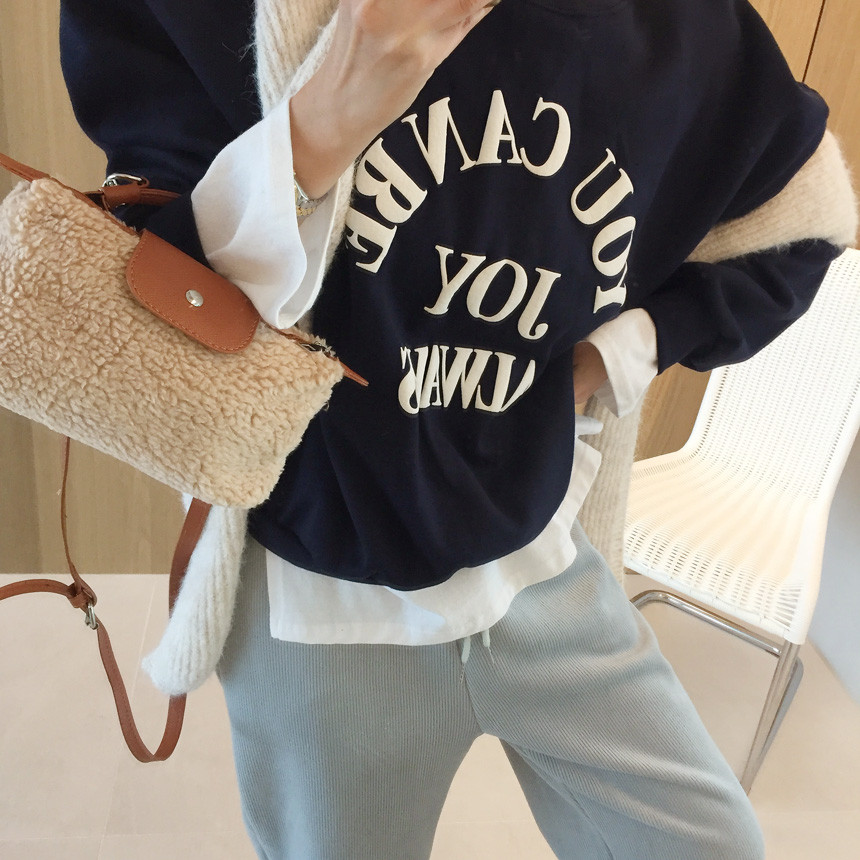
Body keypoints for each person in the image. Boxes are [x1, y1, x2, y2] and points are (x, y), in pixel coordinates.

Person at [60, 0, 856, 858]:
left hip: (542, 563)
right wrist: (316, 128)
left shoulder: (686, 28)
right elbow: (150, 294)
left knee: (713, 845)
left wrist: (612, 356)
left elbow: (805, 222)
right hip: (317, 601)